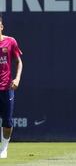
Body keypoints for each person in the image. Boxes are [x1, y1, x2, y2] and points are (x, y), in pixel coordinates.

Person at [0, 15, 23, 159]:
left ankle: (4, 148)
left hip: (6, 88)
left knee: (7, 121)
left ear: (1, 26)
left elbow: (19, 62)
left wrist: (17, 78)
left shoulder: (10, 41)